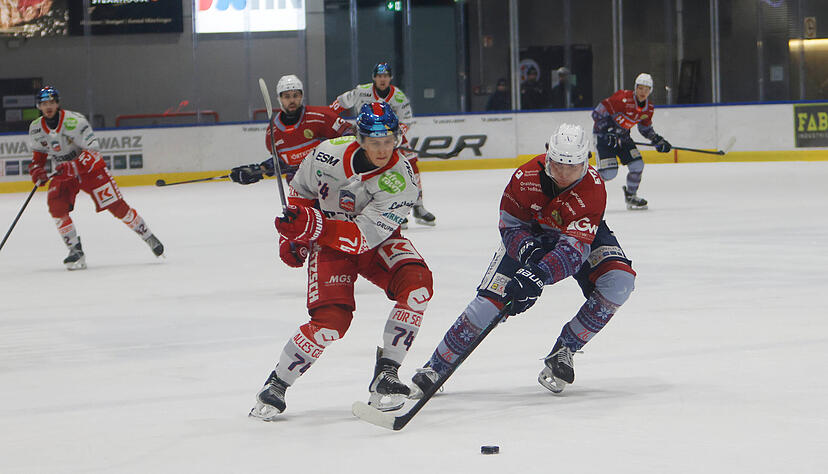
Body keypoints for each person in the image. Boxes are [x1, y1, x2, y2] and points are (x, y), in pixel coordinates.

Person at [408, 123, 636, 400]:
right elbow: (509, 226)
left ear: (586, 162)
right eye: (558, 164)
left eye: (572, 167)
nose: (564, 173)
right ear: (547, 155)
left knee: (620, 281)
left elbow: (574, 250)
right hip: (529, 236)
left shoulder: (594, 188)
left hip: (575, 237)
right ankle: (437, 367)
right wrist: (528, 255)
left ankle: (565, 349)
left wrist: (538, 274)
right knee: (488, 305)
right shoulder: (524, 177)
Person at [249, 102, 434, 421]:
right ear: (359, 139)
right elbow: (300, 193)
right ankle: (277, 384)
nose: (382, 149)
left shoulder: (401, 180)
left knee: (418, 287)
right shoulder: (325, 154)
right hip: (330, 246)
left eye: (388, 141)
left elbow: (363, 237)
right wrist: (292, 237)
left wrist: (312, 226)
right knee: (331, 323)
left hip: (377, 242)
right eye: (375, 142)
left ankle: (386, 374)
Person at [27, 86, 164, 270]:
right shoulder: (36, 128)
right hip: (65, 174)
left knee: (117, 206)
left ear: (58, 103)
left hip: (89, 170)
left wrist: (74, 166)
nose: (48, 106)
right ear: (39, 106)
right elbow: (38, 158)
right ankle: (75, 249)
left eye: (52, 102)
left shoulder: (75, 121)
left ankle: (148, 235)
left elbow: (93, 150)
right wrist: (37, 171)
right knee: (56, 207)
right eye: (44, 103)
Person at [330, 62, 436, 227]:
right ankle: (387, 209)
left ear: (390, 78)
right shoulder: (361, 91)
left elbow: (406, 119)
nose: (382, 79)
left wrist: (395, 137)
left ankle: (418, 206)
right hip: (367, 139)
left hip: (391, 138)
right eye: (379, 76)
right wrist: (333, 122)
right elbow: (336, 105)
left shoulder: (398, 96)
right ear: (374, 78)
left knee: (411, 164)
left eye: (385, 76)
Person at [229, 75, 351, 186]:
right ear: (280, 99)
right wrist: (259, 170)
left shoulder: (322, 116)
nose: (292, 100)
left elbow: (350, 134)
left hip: (332, 184)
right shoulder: (273, 133)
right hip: (301, 189)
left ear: (301, 96)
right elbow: (283, 162)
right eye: (287, 96)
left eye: (295, 95)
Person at [592, 72, 672, 210]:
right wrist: (608, 130)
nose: (643, 92)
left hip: (623, 138)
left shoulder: (648, 108)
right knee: (609, 173)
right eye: (640, 88)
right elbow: (597, 113)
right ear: (635, 88)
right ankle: (582, 189)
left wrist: (657, 140)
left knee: (637, 165)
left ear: (650, 91)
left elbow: (645, 129)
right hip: (604, 138)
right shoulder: (622, 98)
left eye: (646, 89)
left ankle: (631, 196)